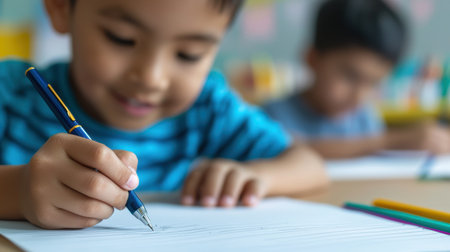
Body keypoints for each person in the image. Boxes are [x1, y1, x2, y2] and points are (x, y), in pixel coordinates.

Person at [0, 0, 327, 229]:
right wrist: (18, 191)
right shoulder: (10, 95)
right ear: (60, 6)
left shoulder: (208, 108)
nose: (151, 78)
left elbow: (309, 164)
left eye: (189, 54)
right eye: (122, 38)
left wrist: (260, 177)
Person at [264, 0, 450, 159]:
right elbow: (295, 150)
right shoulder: (272, 115)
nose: (359, 95)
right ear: (312, 58)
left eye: (374, 82)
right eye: (350, 76)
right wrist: (391, 140)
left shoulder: (364, 118)